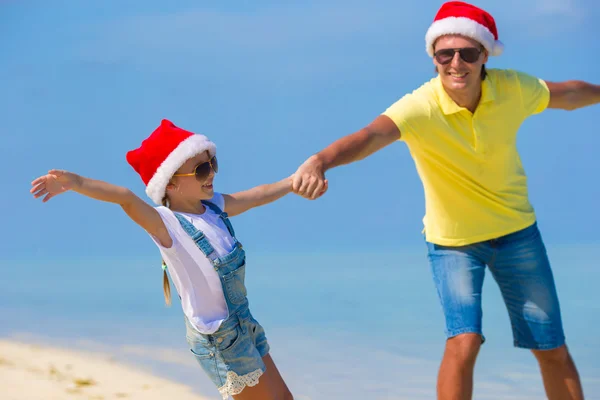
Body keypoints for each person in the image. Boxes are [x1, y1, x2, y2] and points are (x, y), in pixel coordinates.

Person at [291, 2, 599, 399]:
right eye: (445, 54)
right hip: (454, 244)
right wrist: (320, 160)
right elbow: (369, 136)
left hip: (518, 233)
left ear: (485, 55)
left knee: (551, 347)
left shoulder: (512, 89)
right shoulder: (420, 107)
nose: (456, 63)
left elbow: (568, 94)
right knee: (463, 341)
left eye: (468, 53)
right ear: (434, 58)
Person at [30, 119, 294, 400]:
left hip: (245, 324)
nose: (211, 174)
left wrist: (292, 182)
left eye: (212, 164)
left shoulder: (214, 208)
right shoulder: (167, 224)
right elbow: (126, 198)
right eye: (201, 169)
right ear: (170, 185)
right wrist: (77, 183)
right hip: (221, 339)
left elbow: (255, 196)